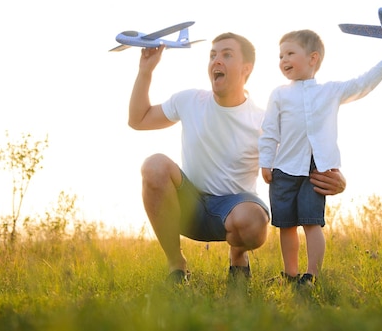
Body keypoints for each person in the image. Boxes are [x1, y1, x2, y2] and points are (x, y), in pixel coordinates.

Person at [128, 32, 347, 284]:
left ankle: (239, 257)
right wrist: (145, 71)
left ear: (246, 69)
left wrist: (338, 178)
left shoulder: (265, 120)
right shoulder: (189, 100)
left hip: (236, 211)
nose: (216, 61)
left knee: (253, 222)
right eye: (212, 55)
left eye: (226, 55)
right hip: (189, 206)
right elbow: (138, 120)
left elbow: (301, 156)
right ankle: (176, 266)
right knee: (154, 165)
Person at [259, 29, 382, 287]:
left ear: (313, 58)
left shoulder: (330, 91)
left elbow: (362, 84)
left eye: (290, 53)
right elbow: (269, 130)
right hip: (283, 167)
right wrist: (265, 161)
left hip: (317, 169)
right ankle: (290, 273)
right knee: (286, 225)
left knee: (311, 222)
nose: (283, 60)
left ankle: (311, 275)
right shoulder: (279, 94)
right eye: (281, 55)